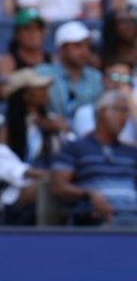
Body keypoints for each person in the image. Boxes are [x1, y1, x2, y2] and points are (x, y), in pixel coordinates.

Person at [51, 90, 137, 227]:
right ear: (103, 112)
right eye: (121, 110)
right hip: (96, 220)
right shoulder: (76, 147)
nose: (125, 117)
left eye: (127, 112)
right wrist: (89, 195)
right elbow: (59, 187)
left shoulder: (132, 152)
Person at [0, 69, 61, 226]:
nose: (46, 92)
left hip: (59, 177)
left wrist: (63, 130)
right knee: (45, 188)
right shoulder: (10, 126)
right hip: (22, 189)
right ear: (25, 95)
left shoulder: (55, 122)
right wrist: (40, 174)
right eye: (40, 89)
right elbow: (2, 162)